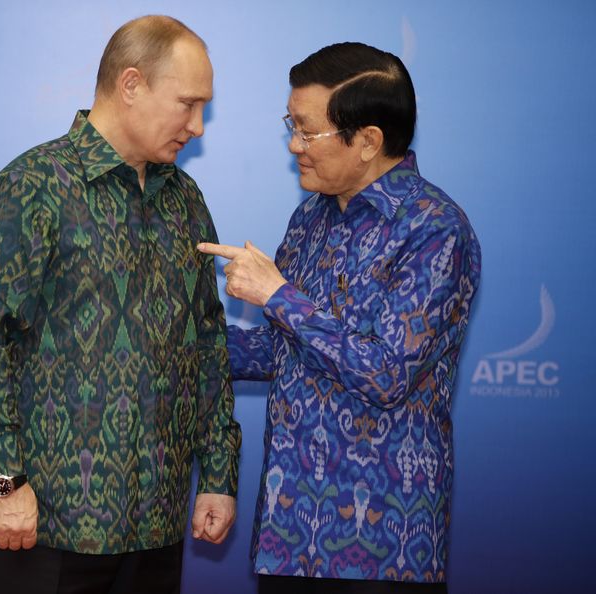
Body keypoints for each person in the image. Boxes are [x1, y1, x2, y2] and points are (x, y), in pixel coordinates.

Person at [0, 15, 241, 594]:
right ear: (131, 85)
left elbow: (206, 343)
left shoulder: (183, 200)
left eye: (203, 107)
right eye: (187, 104)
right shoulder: (33, 185)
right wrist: (4, 482)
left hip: (157, 525)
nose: (198, 126)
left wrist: (219, 475)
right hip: (47, 523)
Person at [198, 42, 480, 593]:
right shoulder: (311, 216)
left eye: (308, 131)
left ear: (369, 140)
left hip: (380, 547)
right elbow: (290, 352)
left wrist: (277, 294)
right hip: (287, 537)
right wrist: (178, 341)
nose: (294, 144)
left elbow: (385, 373)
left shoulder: (433, 229)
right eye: (291, 125)